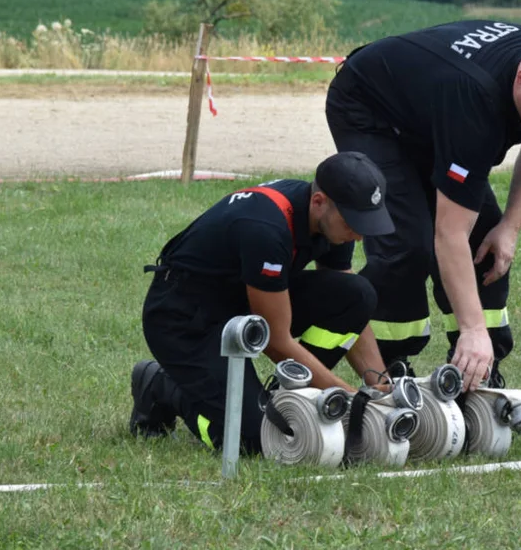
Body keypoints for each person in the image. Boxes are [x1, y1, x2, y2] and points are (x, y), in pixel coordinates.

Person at [325, 20, 521, 398]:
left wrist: (510, 226)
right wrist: (472, 330)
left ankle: (479, 376)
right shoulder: (476, 101)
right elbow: (449, 234)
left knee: (485, 242)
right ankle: (389, 375)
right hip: (371, 107)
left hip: (431, 109)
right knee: (406, 244)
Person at [129, 151, 396, 452]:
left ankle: (285, 396)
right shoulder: (266, 228)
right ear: (319, 202)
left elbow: (351, 304)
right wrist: (351, 400)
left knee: (357, 294)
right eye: (353, 222)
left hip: (240, 303)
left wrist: (380, 389)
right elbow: (276, 342)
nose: (359, 235)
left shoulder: (327, 220)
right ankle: (162, 385)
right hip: (185, 321)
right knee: (255, 442)